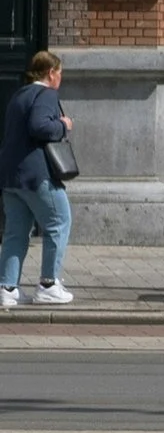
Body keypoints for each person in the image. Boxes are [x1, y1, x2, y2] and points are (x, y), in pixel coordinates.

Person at [0, 51, 74, 308]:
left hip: (11, 176)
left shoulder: (18, 95)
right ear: (51, 73)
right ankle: (48, 284)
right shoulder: (47, 95)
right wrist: (63, 124)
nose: (60, 78)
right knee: (60, 220)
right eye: (60, 73)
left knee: (15, 232)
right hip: (36, 174)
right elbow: (40, 126)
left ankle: (7, 288)